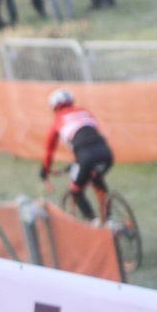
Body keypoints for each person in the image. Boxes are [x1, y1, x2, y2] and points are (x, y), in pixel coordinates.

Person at [39, 88, 114, 222]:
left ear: (55, 107)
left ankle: (92, 222)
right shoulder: (85, 112)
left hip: (86, 156)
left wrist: (44, 170)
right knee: (96, 178)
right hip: (106, 153)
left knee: (75, 190)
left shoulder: (58, 120)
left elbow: (49, 150)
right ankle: (108, 217)